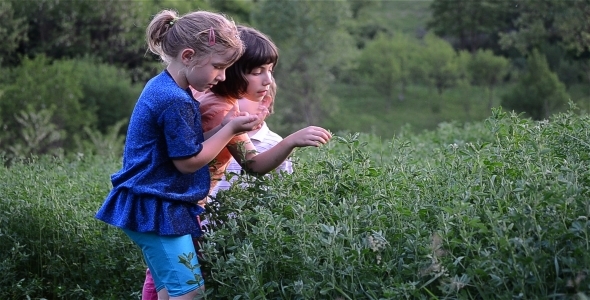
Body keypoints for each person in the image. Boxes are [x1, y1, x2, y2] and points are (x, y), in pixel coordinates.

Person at [141, 25, 332, 299]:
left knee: (166, 286)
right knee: (185, 289)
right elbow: (246, 164)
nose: (267, 81)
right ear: (227, 69)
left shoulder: (224, 106)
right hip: (173, 209)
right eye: (257, 72)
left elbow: (251, 163)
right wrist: (288, 140)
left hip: (177, 209)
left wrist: (288, 140)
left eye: (270, 71)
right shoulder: (214, 109)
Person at [94, 10, 265, 300]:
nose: (222, 76)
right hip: (157, 208)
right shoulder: (176, 100)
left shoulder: (163, 86)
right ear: (188, 56)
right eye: (218, 67)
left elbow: (186, 148)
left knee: (168, 292)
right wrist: (230, 128)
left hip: (150, 203)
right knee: (190, 293)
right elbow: (188, 163)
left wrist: (223, 128)